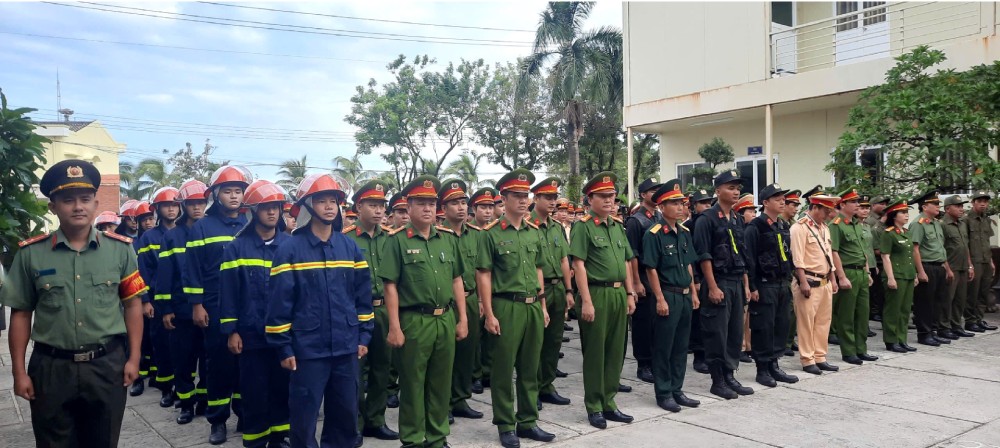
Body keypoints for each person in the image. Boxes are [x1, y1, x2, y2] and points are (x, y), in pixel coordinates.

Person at [2, 159, 147, 447]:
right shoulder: (31, 255)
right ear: (53, 207)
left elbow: (132, 305)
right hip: (52, 369)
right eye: (68, 200)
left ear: (95, 204)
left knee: (103, 441)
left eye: (85, 199)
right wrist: (19, 373)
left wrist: (133, 358)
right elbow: (21, 314)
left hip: (106, 365)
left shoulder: (121, 251)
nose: (78, 207)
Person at [266, 173, 374, 448]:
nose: (329, 206)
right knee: (304, 417)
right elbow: (279, 303)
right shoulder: (289, 249)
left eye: (333, 201)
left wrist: (363, 337)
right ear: (307, 206)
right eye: (322, 200)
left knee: (346, 414)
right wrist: (284, 347)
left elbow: (362, 296)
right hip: (307, 350)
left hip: (346, 346)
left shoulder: (349, 246)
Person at [381, 175, 468, 448]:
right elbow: (390, 285)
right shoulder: (397, 241)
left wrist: (463, 318)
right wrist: (394, 326)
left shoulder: (447, 239)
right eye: (421, 203)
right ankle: (412, 438)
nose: (428, 208)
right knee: (413, 383)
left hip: (445, 318)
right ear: (408, 207)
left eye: (431, 203)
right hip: (414, 320)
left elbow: (457, 281)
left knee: (441, 382)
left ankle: (437, 436)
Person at [477, 169, 555, 447]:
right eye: (517, 196)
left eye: (526, 196)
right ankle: (505, 424)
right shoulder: (490, 234)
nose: (523, 201)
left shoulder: (533, 232)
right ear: (504, 198)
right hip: (505, 305)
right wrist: (488, 312)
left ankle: (528, 421)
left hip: (532, 305)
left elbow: (538, 270)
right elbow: (484, 274)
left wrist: (543, 304)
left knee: (529, 367)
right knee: (502, 368)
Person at [218, 180, 292, 448]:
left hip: (283, 335)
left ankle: (280, 436)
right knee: (254, 391)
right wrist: (231, 331)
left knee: (282, 387)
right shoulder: (236, 247)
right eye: (266, 208)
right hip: (250, 335)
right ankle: (255, 439)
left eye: (276, 208)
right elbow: (228, 293)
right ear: (252, 211)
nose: (273, 213)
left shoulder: (290, 245)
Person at [184, 165, 252, 444]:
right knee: (219, 365)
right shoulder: (202, 227)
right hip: (214, 305)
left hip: (246, 306)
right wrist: (197, 305)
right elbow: (192, 270)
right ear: (216, 195)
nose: (234, 196)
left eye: (238, 191)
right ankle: (218, 421)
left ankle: (244, 414)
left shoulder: (252, 223)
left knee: (245, 364)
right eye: (228, 191)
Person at [570, 171, 637, 429]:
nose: (610, 201)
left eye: (613, 197)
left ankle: (610, 402)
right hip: (596, 293)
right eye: (604, 196)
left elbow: (625, 262)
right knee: (596, 352)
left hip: (619, 294)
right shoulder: (583, 227)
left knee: (615, 351)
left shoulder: (618, 226)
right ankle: (595, 405)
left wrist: (630, 293)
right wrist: (585, 301)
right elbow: (579, 264)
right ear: (590, 199)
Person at [344, 180, 400, 443]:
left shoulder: (390, 238)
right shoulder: (346, 239)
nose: (378, 211)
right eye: (372, 205)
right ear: (359, 206)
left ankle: (376, 421)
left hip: (384, 309)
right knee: (355, 373)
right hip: (356, 314)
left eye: (381, 205)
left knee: (382, 368)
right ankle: (354, 423)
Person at [692, 170, 753, 399]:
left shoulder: (736, 218)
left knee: (734, 333)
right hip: (718, 281)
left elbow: (742, 255)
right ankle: (717, 381)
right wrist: (713, 286)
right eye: (730, 187)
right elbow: (704, 255)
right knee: (716, 332)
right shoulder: (706, 219)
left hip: (736, 281)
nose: (736, 191)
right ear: (717, 191)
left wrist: (745, 285)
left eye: (737, 188)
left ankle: (730, 375)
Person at [641, 179, 701, 412]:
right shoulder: (654, 233)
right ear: (661, 206)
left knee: (681, 346)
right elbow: (651, 268)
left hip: (685, 295)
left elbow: (688, 265)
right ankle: (664, 392)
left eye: (681, 203)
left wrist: (694, 292)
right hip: (668, 294)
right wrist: (660, 298)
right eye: (673, 203)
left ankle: (677, 389)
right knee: (664, 347)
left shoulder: (684, 232)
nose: (680, 207)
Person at [435, 179, 487, 423]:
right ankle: (442, 403)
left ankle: (459, 399)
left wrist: (483, 302)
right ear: (443, 209)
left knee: (468, 353)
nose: (461, 207)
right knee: (444, 358)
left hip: (471, 299)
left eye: (464, 202)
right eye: (454, 203)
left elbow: (481, 271)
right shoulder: (436, 236)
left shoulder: (476, 235)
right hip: (446, 303)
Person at [159, 180, 210, 424]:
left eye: (201, 203)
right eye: (192, 204)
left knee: (209, 360)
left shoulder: (212, 232)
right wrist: (166, 308)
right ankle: (186, 404)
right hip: (181, 309)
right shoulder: (172, 237)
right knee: (184, 360)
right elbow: (165, 274)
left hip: (210, 308)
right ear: (183, 206)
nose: (197, 208)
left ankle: (204, 400)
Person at [743, 184, 799, 387]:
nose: (782, 201)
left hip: (782, 282)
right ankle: (763, 368)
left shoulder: (782, 226)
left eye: (783, 198)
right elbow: (749, 258)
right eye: (777, 198)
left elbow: (787, 254)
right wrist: (753, 286)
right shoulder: (755, 227)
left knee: (781, 325)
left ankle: (774, 364)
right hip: (765, 284)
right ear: (765, 203)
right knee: (763, 327)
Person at [530, 178, 575, 410]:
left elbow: (564, 259)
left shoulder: (557, 227)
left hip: (558, 287)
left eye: (554, 197)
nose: (552, 202)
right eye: (547, 197)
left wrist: (569, 290)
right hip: (539, 288)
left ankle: (547, 385)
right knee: (536, 342)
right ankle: (533, 388)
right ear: (535, 198)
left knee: (554, 342)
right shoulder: (528, 225)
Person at [136, 186, 182, 407]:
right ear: (158, 209)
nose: (171, 209)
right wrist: (145, 300)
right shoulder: (148, 237)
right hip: (157, 300)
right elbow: (143, 271)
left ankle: (182, 389)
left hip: (182, 301)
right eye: (167, 205)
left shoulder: (187, 233)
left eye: (174, 205)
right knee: (161, 345)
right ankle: (166, 388)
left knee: (183, 349)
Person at [790, 192, 841, 375]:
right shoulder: (799, 228)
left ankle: (820, 356)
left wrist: (834, 279)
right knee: (806, 323)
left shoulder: (824, 228)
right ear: (815, 207)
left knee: (823, 322)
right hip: (809, 281)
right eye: (826, 210)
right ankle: (807, 359)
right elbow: (797, 258)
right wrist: (802, 282)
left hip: (825, 280)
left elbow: (829, 257)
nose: (829, 214)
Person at [829, 188, 877, 365]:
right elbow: (834, 252)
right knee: (847, 314)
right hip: (847, 271)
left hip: (861, 272)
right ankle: (849, 351)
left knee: (863, 313)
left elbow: (863, 251)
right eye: (854, 202)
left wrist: (867, 271)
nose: (858, 205)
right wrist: (841, 277)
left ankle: (860, 348)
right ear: (842, 204)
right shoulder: (836, 225)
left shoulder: (857, 224)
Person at [624, 178, 662, 384]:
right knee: (643, 324)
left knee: (657, 324)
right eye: (652, 190)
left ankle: (655, 360)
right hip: (643, 279)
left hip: (658, 278)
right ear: (643, 195)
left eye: (658, 190)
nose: (656, 193)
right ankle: (643, 364)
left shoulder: (659, 218)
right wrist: (636, 282)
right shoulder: (636, 221)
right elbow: (632, 255)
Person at [909, 191, 955, 347]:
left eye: (938, 203)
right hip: (927, 267)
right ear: (924, 206)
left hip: (939, 266)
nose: (938, 206)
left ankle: (933, 332)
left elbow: (940, 248)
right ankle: (924, 334)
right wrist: (920, 271)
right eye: (934, 204)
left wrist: (947, 268)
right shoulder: (918, 224)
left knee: (938, 302)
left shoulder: (936, 223)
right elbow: (915, 249)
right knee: (925, 303)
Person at [468, 186, 497, 394]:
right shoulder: (466, 233)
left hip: (495, 291)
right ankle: (475, 374)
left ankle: (488, 372)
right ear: (474, 209)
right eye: (483, 207)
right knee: (475, 337)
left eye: (490, 207)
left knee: (491, 337)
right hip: (473, 294)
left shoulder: (494, 232)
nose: (487, 211)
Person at [880, 200, 918, 353]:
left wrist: (914, 274)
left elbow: (910, 255)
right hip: (896, 275)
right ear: (894, 216)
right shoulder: (888, 233)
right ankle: (891, 340)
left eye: (906, 212)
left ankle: (902, 339)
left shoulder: (906, 233)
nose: (906, 215)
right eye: (902, 212)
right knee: (893, 310)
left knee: (904, 310)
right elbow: (885, 257)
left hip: (907, 275)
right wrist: (890, 277)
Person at [684, 189, 714, 374]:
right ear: (693, 206)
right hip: (697, 279)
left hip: (712, 277)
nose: (707, 206)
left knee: (711, 321)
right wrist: (695, 279)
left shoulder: (713, 222)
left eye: (709, 202)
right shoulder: (688, 226)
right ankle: (699, 357)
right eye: (703, 203)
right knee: (698, 321)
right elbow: (691, 256)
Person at [941, 196, 975, 339]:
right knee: (947, 298)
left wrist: (970, 265)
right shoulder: (942, 224)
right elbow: (941, 248)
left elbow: (965, 246)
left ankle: (956, 326)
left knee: (960, 299)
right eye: (958, 206)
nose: (961, 209)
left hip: (962, 266)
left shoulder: (962, 223)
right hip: (951, 266)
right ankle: (944, 327)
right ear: (948, 208)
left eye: (962, 206)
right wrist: (947, 268)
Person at [965, 191, 998, 332]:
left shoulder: (987, 220)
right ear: (973, 202)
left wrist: (991, 261)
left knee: (984, 292)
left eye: (985, 201)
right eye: (980, 201)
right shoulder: (966, 220)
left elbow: (987, 242)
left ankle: (979, 319)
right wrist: (969, 264)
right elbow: (964, 244)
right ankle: (970, 321)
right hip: (974, 261)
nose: (983, 204)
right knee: (972, 293)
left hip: (985, 260)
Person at [782, 190, 802, 356]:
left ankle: (790, 340)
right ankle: (784, 343)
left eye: (797, 205)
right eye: (793, 205)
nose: (796, 208)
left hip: (794, 270)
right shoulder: (780, 223)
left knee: (794, 309)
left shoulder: (794, 223)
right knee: (787, 310)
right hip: (785, 270)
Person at [866, 196, 889, 322]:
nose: (885, 206)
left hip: (883, 260)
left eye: (886, 204)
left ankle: (878, 310)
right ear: (873, 205)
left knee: (880, 290)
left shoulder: (884, 220)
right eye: (882, 203)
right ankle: (874, 311)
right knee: (875, 290)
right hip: (876, 259)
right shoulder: (870, 221)